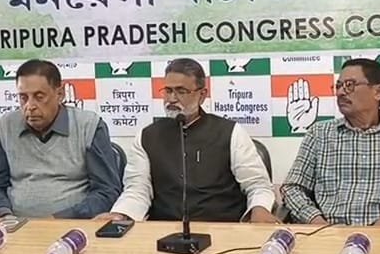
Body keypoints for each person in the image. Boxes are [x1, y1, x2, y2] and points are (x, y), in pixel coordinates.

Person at [97, 58, 277, 223]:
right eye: (168, 91)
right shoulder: (147, 136)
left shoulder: (230, 133)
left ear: (202, 95)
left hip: (222, 227)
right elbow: (137, 190)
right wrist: (120, 214)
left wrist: (259, 209)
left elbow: (257, 185)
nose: (172, 99)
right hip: (164, 230)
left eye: (181, 91)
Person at [281, 58, 380, 225]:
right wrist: (317, 222)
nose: (340, 92)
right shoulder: (319, 133)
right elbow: (292, 188)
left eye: (349, 85)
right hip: (329, 231)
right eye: (338, 86)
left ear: (378, 91)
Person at [0, 59, 121, 219]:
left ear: (60, 94)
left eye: (39, 97)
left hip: (72, 224)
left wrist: (60, 219)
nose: (30, 106)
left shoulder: (88, 125)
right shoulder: (7, 126)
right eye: (23, 98)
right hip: (14, 224)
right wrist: (3, 213)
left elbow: (106, 192)